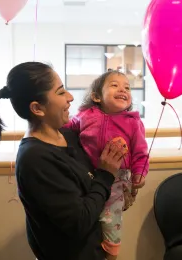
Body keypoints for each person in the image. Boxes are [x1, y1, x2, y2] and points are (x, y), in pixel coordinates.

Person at [0, 62, 135, 260]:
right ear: (37, 108)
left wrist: (120, 189)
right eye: (60, 93)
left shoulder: (68, 135)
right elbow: (78, 222)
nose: (70, 97)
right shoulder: (35, 158)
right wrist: (106, 176)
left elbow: (90, 188)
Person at [64, 70, 149, 260]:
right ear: (96, 96)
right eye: (114, 85)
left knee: (111, 221)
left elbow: (141, 153)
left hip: (117, 181)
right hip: (85, 177)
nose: (123, 89)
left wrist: (139, 174)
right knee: (88, 220)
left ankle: (112, 255)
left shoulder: (133, 122)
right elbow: (65, 131)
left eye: (127, 87)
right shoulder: (85, 115)